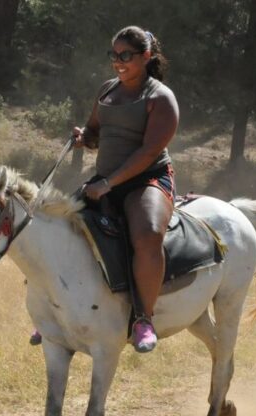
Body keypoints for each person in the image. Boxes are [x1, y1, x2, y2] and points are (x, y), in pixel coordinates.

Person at [74, 25, 180, 353]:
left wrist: (107, 184)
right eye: (114, 55)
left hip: (146, 180)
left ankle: (144, 319)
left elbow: (147, 153)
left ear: (146, 57)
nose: (118, 62)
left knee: (147, 234)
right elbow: (94, 131)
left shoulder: (160, 98)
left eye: (126, 56)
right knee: (57, 225)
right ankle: (56, 310)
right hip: (104, 181)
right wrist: (85, 138)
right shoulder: (107, 90)